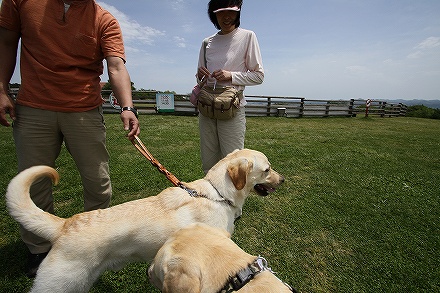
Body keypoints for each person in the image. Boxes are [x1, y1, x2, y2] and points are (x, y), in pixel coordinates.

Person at [0, 0, 140, 277]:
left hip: (84, 110)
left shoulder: (104, 19)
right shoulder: (21, 3)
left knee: (98, 182)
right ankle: (39, 250)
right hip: (34, 106)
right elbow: (6, 43)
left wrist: (128, 107)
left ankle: (93, 242)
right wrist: (1, 88)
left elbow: (115, 66)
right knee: (34, 181)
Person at [196, 0, 264, 174]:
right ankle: (210, 201)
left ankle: (233, 201)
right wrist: (201, 76)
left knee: (234, 163)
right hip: (207, 109)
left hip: (232, 108)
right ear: (213, 14)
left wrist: (231, 75)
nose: (226, 17)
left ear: (238, 12)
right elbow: (199, 80)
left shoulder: (248, 36)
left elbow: (258, 75)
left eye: (231, 12)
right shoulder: (206, 42)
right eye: (220, 12)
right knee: (209, 164)